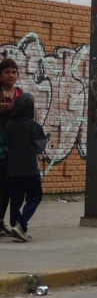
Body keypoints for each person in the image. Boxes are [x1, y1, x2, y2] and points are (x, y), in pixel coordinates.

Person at [5, 93, 46, 242]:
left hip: (13, 170)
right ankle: (21, 224)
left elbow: (6, 147)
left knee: (16, 199)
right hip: (30, 169)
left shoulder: (10, 124)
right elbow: (41, 147)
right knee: (35, 196)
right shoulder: (33, 125)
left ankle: (16, 226)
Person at [0, 58, 22, 237]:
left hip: (13, 145)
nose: (11, 75)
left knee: (8, 184)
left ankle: (1, 221)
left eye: (13, 72)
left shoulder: (19, 92)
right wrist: (11, 106)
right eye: (7, 71)